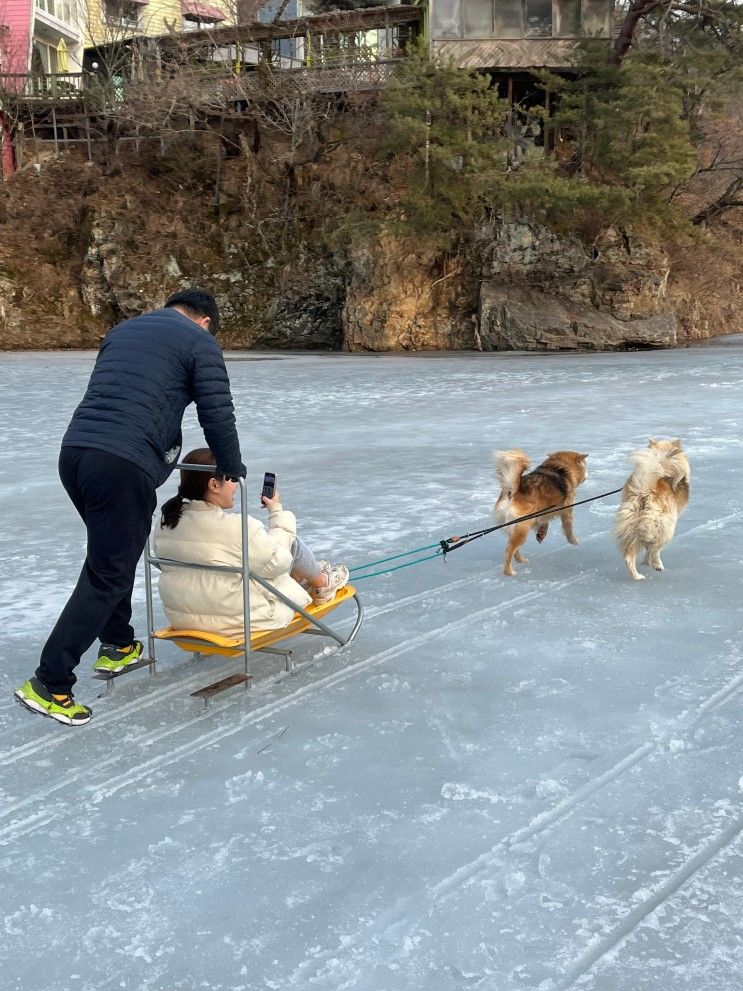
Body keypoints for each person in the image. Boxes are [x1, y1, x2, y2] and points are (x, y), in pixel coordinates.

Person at [14, 289, 246, 727]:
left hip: (76, 453)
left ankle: (118, 643)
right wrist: (231, 466)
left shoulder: (123, 331)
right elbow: (218, 413)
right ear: (205, 321)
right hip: (123, 462)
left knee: (112, 556)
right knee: (110, 571)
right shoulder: (200, 342)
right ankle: (50, 682)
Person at [154, 449, 349, 637]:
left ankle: (310, 577)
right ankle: (323, 583)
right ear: (214, 484)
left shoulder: (166, 521)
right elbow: (280, 562)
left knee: (255, 556)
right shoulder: (236, 527)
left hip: (185, 617)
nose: (235, 485)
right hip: (238, 619)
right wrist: (276, 512)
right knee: (288, 543)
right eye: (231, 479)